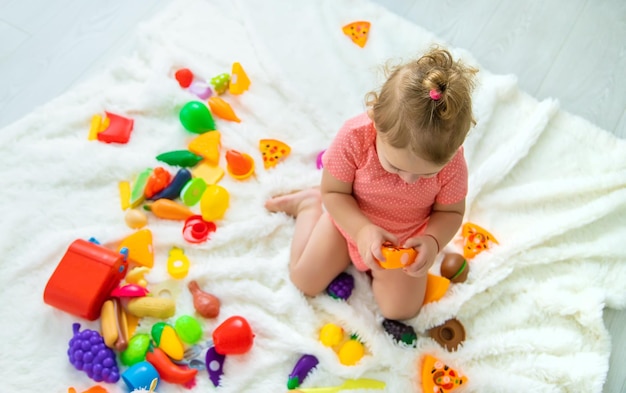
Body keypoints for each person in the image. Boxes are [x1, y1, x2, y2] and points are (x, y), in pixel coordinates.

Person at [265, 47, 477, 323]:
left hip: (404, 244)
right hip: (347, 224)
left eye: (425, 175)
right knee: (303, 280)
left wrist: (432, 241)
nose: (409, 180)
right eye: (397, 167)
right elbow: (334, 192)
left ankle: (379, 267)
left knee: (401, 312)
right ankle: (308, 205)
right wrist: (361, 231)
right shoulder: (355, 137)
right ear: (376, 120)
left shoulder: (452, 164)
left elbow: (450, 213)